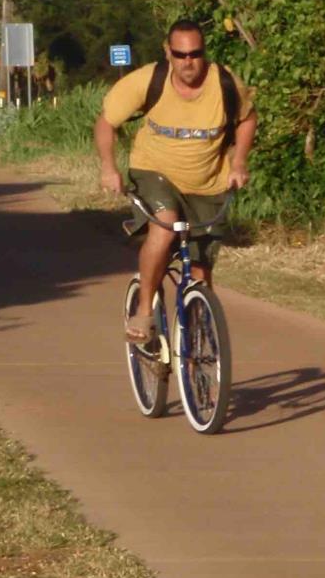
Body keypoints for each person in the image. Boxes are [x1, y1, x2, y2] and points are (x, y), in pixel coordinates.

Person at [94, 19, 257, 353]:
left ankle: (198, 354)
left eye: (195, 54)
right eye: (180, 54)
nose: (188, 62)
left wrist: (239, 161)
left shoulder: (224, 82)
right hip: (154, 172)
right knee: (166, 225)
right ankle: (143, 313)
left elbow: (247, 119)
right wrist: (109, 167)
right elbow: (106, 122)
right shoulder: (148, 80)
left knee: (200, 273)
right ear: (168, 52)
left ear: (204, 52)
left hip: (207, 183)